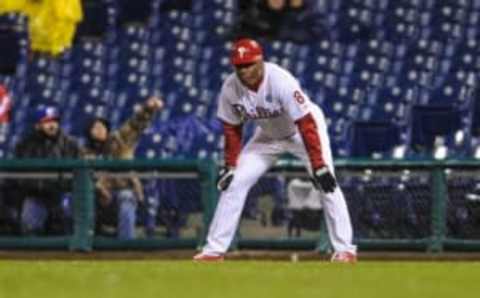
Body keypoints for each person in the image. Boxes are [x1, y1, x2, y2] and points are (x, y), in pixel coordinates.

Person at [193, 38, 357, 263]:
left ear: (261, 61)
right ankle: (214, 250)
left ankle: (345, 250)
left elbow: (306, 124)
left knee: (326, 182)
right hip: (268, 136)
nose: (243, 70)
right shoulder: (230, 87)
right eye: (239, 66)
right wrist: (230, 164)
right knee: (235, 181)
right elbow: (232, 128)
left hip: (302, 132)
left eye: (248, 64)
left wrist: (318, 165)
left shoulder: (280, 80)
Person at [83, 96, 163, 240]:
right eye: (95, 128)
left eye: (102, 127)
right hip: (97, 198)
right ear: (89, 131)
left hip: (122, 192)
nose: (100, 130)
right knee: (81, 198)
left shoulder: (119, 141)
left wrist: (148, 109)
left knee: (126, 196)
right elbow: (83, 179)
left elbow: (134, 125)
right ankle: (84, 243)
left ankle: (126, 247)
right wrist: (99, 188)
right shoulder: (84, 152)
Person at [14, 105, 82, 235]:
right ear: (38, 125)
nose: (52, 125)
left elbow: (78, 173)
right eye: (47, 121)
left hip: (61, 194)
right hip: (36, 195)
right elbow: (20, 175)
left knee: (68, 219)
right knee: (30, 223)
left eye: (54, 121)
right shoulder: (25, 144)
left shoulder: (70, 143)